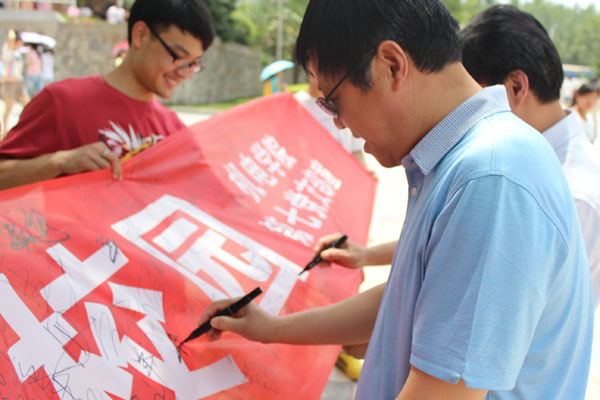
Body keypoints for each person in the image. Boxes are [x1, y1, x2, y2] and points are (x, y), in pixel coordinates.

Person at [201, 1, 593, 398]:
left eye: (333, 101)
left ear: (390, 65)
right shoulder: (457, 161)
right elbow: (405, 299)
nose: (340, 123)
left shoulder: (491, 178)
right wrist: (270, 328)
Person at [321, 5, 600, 312]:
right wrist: (366, 256)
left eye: (474, 93)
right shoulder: (523, 162)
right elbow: (449, 243)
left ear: (515, 87)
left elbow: (480, 299)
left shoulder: (558, 190)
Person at [0, 0, 215, 190]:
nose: (185, 72)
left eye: (194, 64)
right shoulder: (62, 102)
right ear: (140, 35)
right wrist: (59, 161)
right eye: (179, 57)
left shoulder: (176, 132)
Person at [294, 73, 369, 170]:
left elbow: (356, 152)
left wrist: (366, 173)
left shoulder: (348, 103)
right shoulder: (295, 104)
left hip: (340, 175)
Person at [0, 30, 29, 139]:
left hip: (18, 81)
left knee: (27, 105)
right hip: (9, 82)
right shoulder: (8, 49)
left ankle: (24, 129)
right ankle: (5, 131)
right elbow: (10, 37)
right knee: (9, 106)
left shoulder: (18, 52)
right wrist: (12, 33)